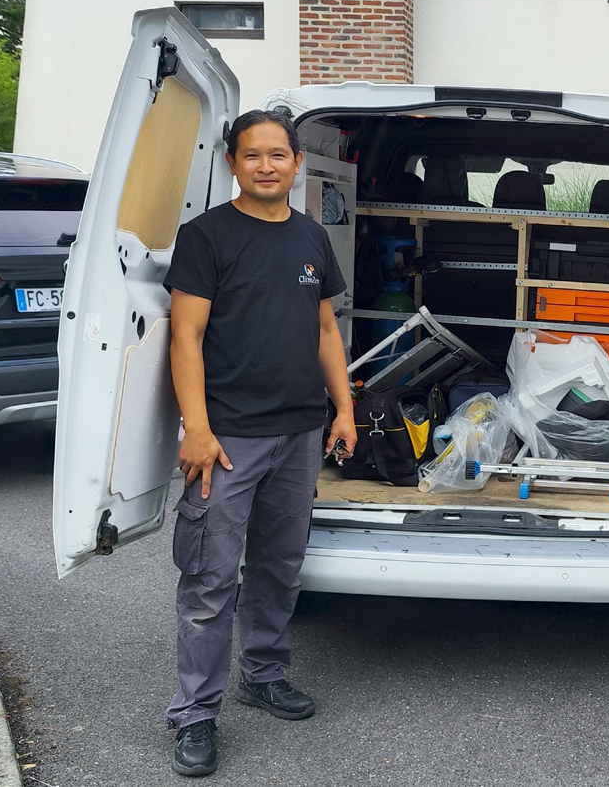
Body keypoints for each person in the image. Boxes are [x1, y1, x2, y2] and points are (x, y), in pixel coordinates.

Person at [161, 108, 357, 777]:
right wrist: (198, 428)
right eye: (253, 155)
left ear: (298, 163)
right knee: (211, 581)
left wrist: (344, 409)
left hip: (299, 433)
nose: (267, 165)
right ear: (233, 163)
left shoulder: (310, 237)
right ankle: (194, 715)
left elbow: (326, 330)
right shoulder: (206, 237)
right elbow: (184, 336)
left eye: (278, 154)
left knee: (278, 567)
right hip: (228, 440)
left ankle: (263, 673)